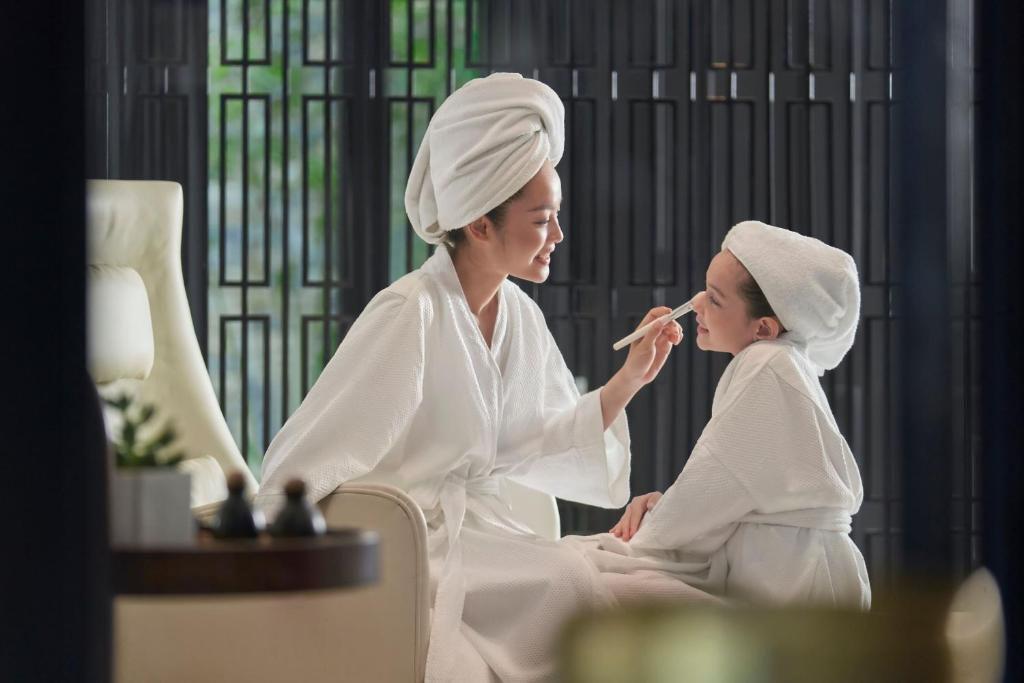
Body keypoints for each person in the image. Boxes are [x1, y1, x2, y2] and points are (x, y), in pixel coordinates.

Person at [254, 73, 682, 683]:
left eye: (557, 217)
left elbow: (537, 438)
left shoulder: (518, 314)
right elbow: (308, 460)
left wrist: (629, 378)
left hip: (484, 536)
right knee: (571, 580)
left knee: (629, 571)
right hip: (414, 550)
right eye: (542, 220)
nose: (558, 236)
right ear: (480, 224)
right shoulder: (409, 312)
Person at [568, 221, 871, 609]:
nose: (696, 303)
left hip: (791, 584)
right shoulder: (781, 362)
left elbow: (714, 485)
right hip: (798, 569)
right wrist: (665, 507)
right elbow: (727, 486)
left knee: (583, 578)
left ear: (764, 328)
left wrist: (645, 534)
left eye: (714, 299)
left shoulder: (766, 364)